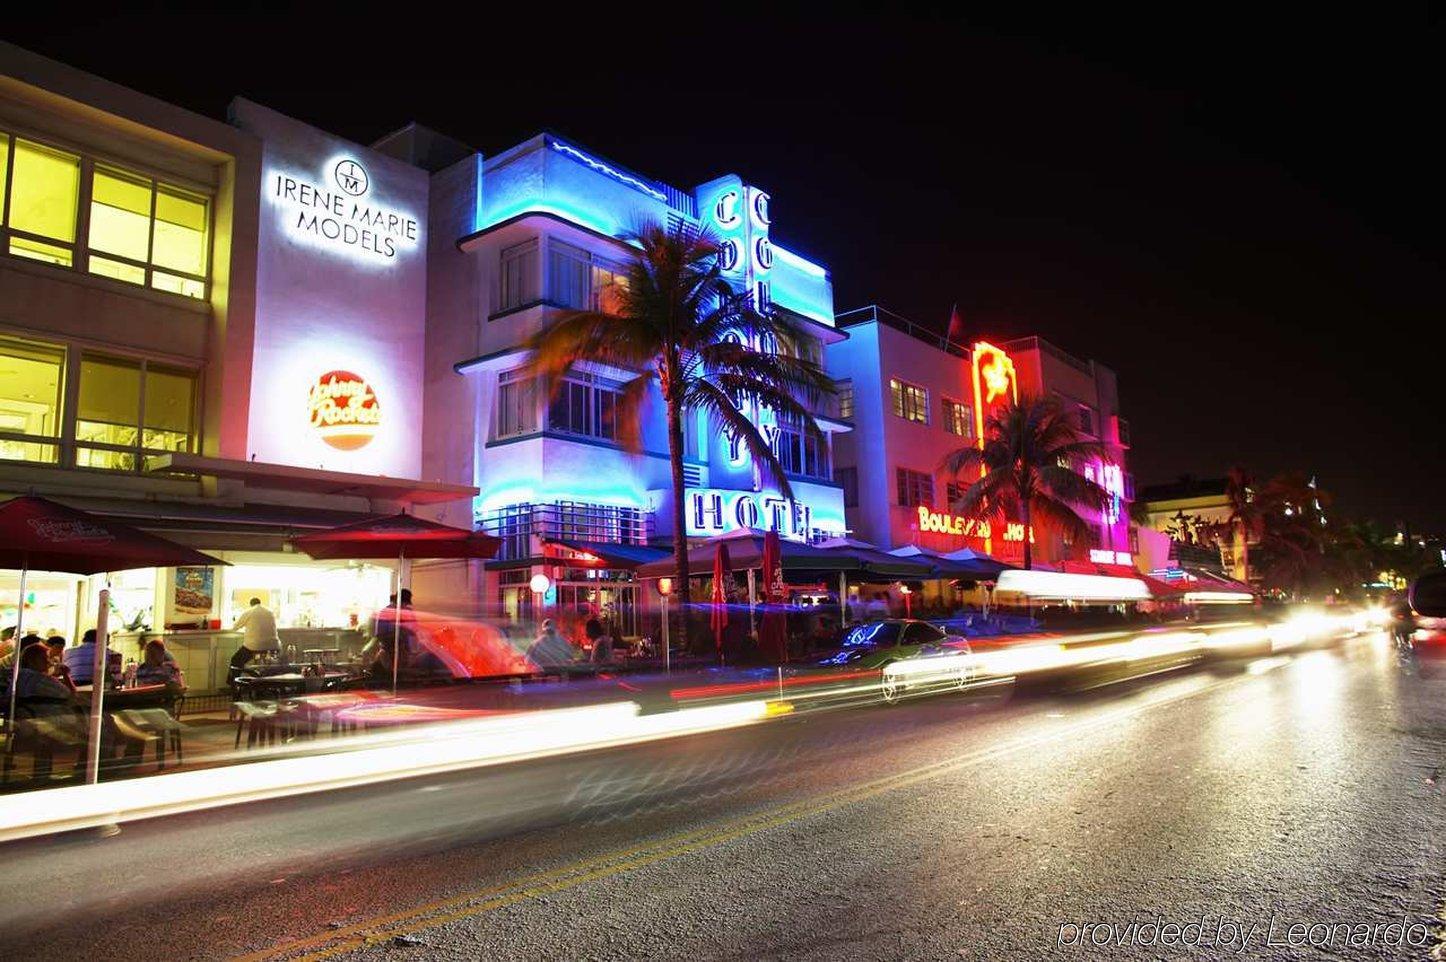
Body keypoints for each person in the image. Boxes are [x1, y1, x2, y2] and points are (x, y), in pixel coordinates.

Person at [230, 597, 280, 681]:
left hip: (254, 647)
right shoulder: (270, 612)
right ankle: (260, 679)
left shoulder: (249, 611)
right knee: (266, 667)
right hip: (274, 647)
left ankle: (235, 685)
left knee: (236, 660)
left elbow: (235, 627)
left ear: (251, 604)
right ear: (260, 603)